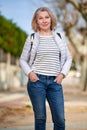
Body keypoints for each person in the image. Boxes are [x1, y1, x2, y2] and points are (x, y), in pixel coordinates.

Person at [19, 7, 72, 130]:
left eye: (46, 17)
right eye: (40, 18)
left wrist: (62, 74)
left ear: (51, 19)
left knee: (60, 118)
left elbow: (68, 58)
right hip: (37, 82)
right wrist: (30, 73)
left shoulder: (59, 37)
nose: (44, 20)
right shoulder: (31, 38)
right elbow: (22, 59)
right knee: (40, 118)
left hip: (55, 83)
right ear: (36, 21)